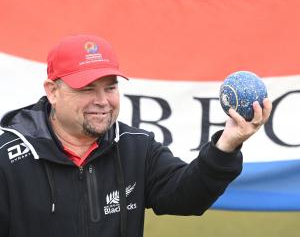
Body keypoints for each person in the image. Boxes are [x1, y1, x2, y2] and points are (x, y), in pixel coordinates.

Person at [0, 35, 272, 237]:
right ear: (52, 91)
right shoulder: (7, 156)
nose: (102, 101)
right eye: (87, 89)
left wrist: (227, 144)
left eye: (111, 87)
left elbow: (188, 196)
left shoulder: (136, 146)